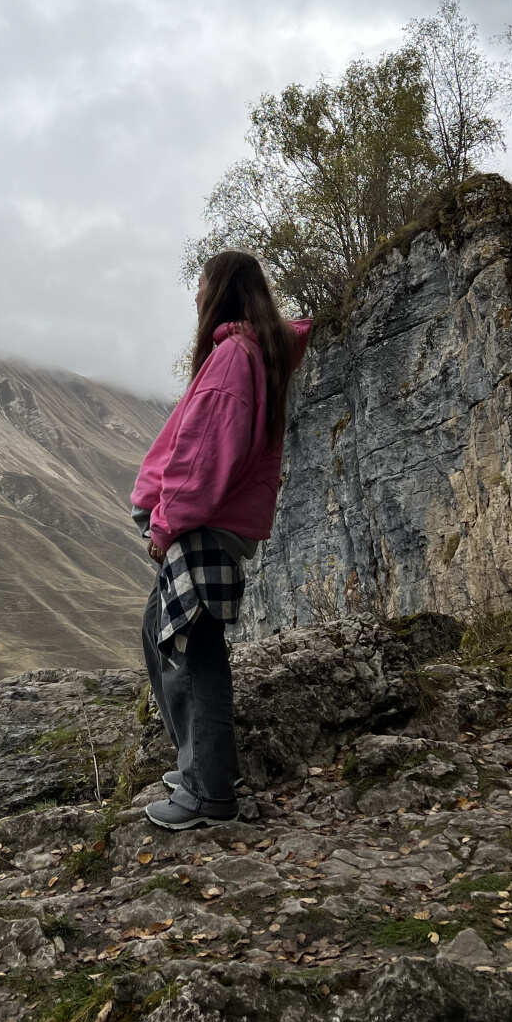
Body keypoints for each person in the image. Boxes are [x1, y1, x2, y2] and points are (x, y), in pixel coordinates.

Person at [130, 250, 312, 830]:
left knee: (192, 652)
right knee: (163, 633)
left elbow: (204, 454)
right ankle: (202, 766)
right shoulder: (255, 352)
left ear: (220, 291)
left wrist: (166, 523)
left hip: (201, 525)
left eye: (202, 285)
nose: (196, 296)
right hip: (214, 523)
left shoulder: (233, 356)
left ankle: (208, 791)